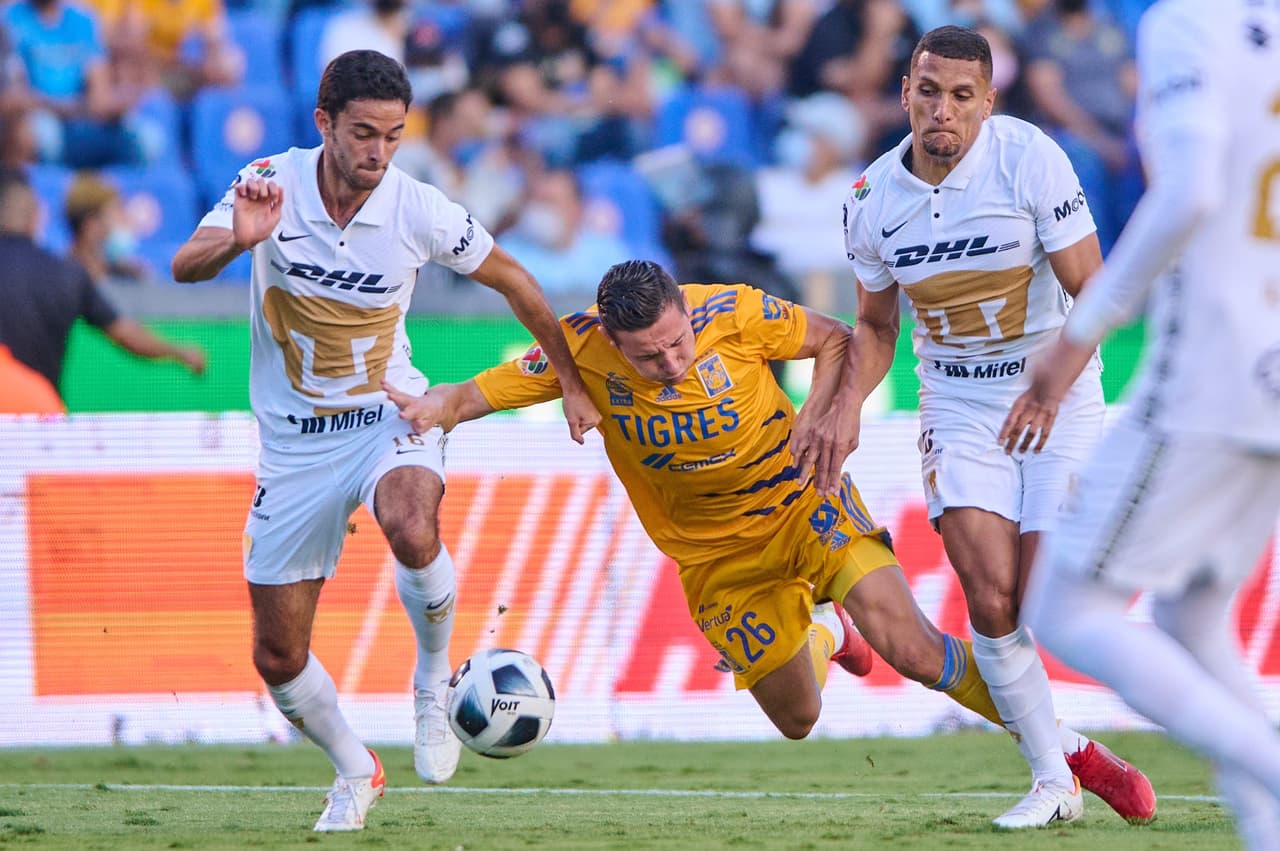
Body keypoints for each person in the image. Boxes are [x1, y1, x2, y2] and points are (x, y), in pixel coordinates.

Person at [169, 49, 599, 833]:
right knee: (277, 656)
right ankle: (356, 768)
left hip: (385, 414)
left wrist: (570, 379)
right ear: (323, 123)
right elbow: (183, 266)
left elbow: (515, 280)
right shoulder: (267, 180)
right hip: (295, 445)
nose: (377, 152)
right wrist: (239, 238)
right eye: (364, 133)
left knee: (411, 522)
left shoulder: (415, 206)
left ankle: (433, 682)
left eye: (394, 136)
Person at [387, 259, 1034, 760]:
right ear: (614, 340)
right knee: (797, 719)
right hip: (717, 559)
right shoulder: (579, 349)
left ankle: (1065, 753)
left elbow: (840, 339)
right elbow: (469, 395)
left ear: (684, 310)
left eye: (677, 341)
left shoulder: (733, 310)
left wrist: (822, 414)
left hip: (804, 498)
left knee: (914, 649)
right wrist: (431, 407)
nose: (671, 362)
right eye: (649, 355)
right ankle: (828, 631)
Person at [834, 25, 1154, 827]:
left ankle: (1077, 740)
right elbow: (876, 331)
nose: (943, 109)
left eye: (962, 95)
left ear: (988, 103)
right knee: (990, 597)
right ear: (906, 91)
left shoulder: (1029, 158)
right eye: (929, 91)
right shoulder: (871, 200)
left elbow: (1097, 289)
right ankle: (1056, 777)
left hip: (1057, 394)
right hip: (958, 405)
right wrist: (841, 410)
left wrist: (1050, 389)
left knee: (1046, 599)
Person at [1006, 1, 1280, 848]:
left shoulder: (1187, 22)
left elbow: (1190, 191)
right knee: (1193, 621)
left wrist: (1081, 331)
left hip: (1215, 370)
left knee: (1065, 605)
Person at [0, 167, 204, 398]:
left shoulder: (75, 275)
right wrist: (179, 351)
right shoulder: (66, 276)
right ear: (36, 215)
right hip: (38, 411)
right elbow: (127, 335)